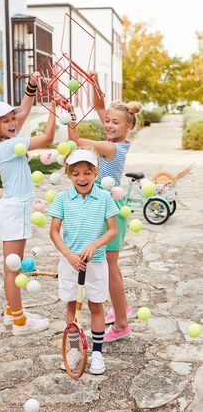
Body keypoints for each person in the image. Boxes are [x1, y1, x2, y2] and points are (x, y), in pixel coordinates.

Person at [67, 73, 142, 342]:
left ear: (127, 126)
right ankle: (121, 310)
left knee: (111, 269)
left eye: (114, 122)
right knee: (111, 267)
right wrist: (95, 83)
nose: (108, 124)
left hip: (109, 209)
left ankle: (121, 323)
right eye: (107, 121)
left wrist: (71, 119)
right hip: (108, 206)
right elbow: (101, 107)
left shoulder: (110, 148)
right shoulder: (117, 139)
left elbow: (77, 142)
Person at [0, 72, 56, 336]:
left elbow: (24, 110)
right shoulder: (9, 146)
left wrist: (32, 86)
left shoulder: (8, 139)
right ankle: (20, 323)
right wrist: (54, 109)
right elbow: (47, 139)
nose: (13, 122)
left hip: (15, 207)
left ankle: (12, 314)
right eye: (5, 120)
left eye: (12, 118)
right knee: (13, 268)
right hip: (15, 209)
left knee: (12, 266)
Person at [49, 147, 119, 374]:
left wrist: (95, 244)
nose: (82, 178)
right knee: (72, 304)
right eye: (76, 173)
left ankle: (97, 353)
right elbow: (54, 232)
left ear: (96, 173)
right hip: (70, 264)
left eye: (87, 172)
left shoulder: (105, 198)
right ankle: (74, 350)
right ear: (69, 175)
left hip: (96, 262)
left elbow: (112, 230)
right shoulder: (62, 199)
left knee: (96, 305)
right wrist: (69, 255)